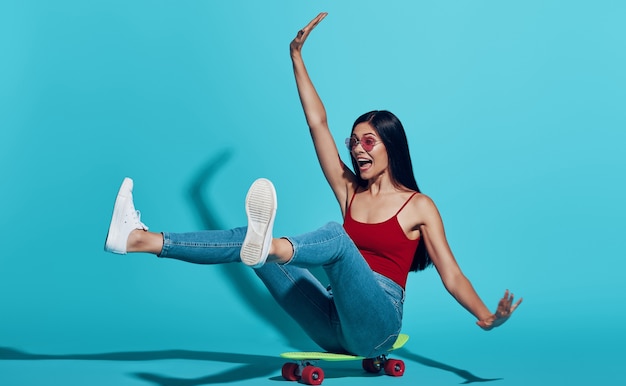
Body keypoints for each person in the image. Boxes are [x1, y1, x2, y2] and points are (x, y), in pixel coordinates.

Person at [104, 12, 521, 358]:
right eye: (353, 142)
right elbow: (317, 122)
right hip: (331, 326)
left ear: (391, 146)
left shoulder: (419, 206)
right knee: (247, 237)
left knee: (335, 239)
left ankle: (275, 246)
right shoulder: (349, 190)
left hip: (378, 327)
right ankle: (138, 239)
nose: (358, 149)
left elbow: (451, 274)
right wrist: (296, 57)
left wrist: (486, 316)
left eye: (368, 141)